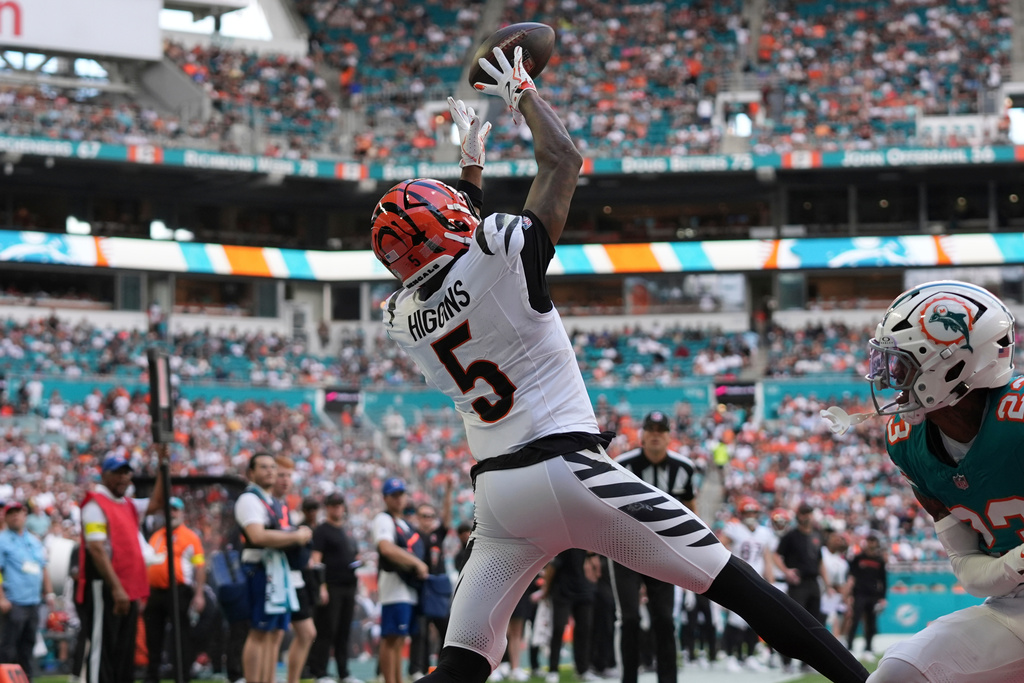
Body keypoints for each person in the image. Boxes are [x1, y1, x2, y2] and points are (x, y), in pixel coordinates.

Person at [371, 48, 867, 683]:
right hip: (570, 469)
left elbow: (445, 261)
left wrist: (468, 172)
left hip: (496, 497)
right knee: (741, 589)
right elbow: (562, 161)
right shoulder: (498, 249)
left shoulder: (403, 317)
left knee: (464, 663)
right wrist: (520, 90)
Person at [821, 280, 1024, 682]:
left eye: (900, 364)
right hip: (1016, 603)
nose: (888, 377)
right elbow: (965, 564)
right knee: (898, 674)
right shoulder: (907, 442)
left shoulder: (1017, 418)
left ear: (952, 366)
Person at [611, 411, 695, 683]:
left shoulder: (684, 468)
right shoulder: (621, 465)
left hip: (664, 553)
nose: (656, 435)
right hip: (625, 550)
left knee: (664, 620)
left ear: (669, 435)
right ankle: (629, 678)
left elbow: (691, 512)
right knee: (631, 619)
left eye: (661, 430)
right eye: (651, 429)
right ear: (642, 435)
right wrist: (593, 551)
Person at [76, 449, 168, 683]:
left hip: (127, 587)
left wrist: (162, 464)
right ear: (104, 475)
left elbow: (157, 503)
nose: (123, 478)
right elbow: (96, 549)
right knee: (102, 650)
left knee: (123, 651)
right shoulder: (95, 504)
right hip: (105, 586)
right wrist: (117, 589)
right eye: (117, 473)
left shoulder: (127, 503)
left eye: (127, 473)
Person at [234, 452, 312, 683]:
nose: (270, 471)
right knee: (259, 632)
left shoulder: (271, 501)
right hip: (260, 568)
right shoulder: (249, 499)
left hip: (275, 571)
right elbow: (256, 536)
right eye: (263, 467)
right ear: (251, 473)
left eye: (272, 467)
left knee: (273, 633)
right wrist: (296, 537)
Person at [144, 496, 207, 683]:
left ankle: (182, 676)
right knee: (152, 637)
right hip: (155, 592)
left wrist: (199, 594)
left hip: (179, 591)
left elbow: (200, 566)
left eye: (175, 509)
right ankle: (152, 677)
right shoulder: (157, 535)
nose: (171, 513)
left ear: (181, 512)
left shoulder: (190, 537)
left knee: (181, 638)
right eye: (168, 509)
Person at [373, 477, 429, 683]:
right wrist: (416, 563)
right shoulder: (383, 519)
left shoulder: (403, 523)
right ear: (385, 498)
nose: (398, 499)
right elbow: (385, 547)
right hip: (393, 587)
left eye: (401, 494)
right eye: (393, 495)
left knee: (399, 640)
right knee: (391, 639)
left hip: (407, 588)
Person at [272, 458, 318, 683]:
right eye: (281, 475)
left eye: (288, 476)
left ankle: (292, 680)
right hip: (278, 576)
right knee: (273, 633)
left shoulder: (283, 506)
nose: (285, 480)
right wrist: (298, 536)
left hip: (293, 578)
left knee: (306, 632)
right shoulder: (269, 504)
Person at [309, 491, 362, 683]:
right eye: (333, 504)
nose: (337, 507)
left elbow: (353, 553)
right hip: (331, 586)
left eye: (340, 504)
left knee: (344, 630)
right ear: (327, 507)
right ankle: (320, 671)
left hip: (349, 585)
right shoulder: (322, 530)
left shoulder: (346, 530)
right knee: (326, 629)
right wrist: (321, 587)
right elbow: (316, 559)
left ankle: (343, 672)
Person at [0, 500, 55, 681]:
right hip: (13, 602)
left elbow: (42, 568)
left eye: (19, 512)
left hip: (33, 602)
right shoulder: (2, 540)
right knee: (8, 648)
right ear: (6, 517)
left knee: (28, 647)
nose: (15, 515)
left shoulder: (34, 541)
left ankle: (26, 680)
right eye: (11, 513)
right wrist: (1, 598)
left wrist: (49, 593)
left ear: (25, 516)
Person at [720, 497, 775, 673]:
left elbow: (766, 558)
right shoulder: (734, 529)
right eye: (747, 512)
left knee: (754, 619)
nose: (751, 515)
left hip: (756, 579)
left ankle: (750, 656)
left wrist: (770, 581)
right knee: (735, 620)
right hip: (737, 578)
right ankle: (731, 656)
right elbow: (719, 547)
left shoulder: (764, 532)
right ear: (741, 514)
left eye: (753, 512)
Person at [409, 476, 454, 679]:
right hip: (419, 587)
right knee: (420, 632)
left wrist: (448, 492)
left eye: (430, 515)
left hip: (436, 588)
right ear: (417, 518)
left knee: (445, 629)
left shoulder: (437, 534)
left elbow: (446, 518)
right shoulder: (413, 536)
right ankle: (418, 669)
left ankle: (444, 668)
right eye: (423, 515)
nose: (427, 519)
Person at [541, 549, 598, 683]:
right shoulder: (563, 544)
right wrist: (546, 590)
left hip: (583, 590)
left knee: (585, 629)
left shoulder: (586, 542)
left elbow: (593, 562)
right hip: (562, 591)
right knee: (558, 628)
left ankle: (582, 670)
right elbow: (552, 567)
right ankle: (553, 670)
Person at [775, 503, 825, 625]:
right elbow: (776, 555)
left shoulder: (817, 535)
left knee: (815, 620)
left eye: (809, 513)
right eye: (804, 513)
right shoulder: (791, 536)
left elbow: (820, 561)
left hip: (813, 581)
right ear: (798, 516)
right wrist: (786, 571)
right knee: (797, 619)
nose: (807, 516)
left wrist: (827, 583)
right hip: (798, 582)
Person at [845, 535, 887, 660]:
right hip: (859, 594)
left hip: (873, 595)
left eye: (873, 541)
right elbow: (851, 576)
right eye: (869, 541)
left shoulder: (880, 561)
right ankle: (850, 646)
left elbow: (883, 581)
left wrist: (882, 597)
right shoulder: (858, 558)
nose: (871, 544)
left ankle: (868, 648)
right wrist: (850, 595)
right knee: (855, 620)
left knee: (871, 622)